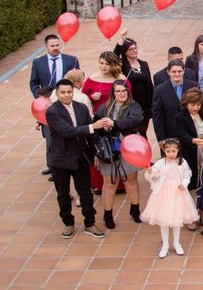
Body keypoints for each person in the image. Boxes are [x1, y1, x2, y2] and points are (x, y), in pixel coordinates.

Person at [45, 79, 106, 239]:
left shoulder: (81, 108)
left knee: (85, 191)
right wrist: (94, 126)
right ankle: (68, 222)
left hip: (80, 156)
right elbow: (68, 131)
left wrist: (96, 153)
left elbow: (91, 135)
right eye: (63, 92)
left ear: (74, 92)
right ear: (57, 94)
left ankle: (89, 223)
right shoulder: (52, 111)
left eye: (69, 92)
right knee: (63, 193)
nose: (66, 95)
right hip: (60, 158)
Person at [93, 80, 144, 230]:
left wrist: (114, 123)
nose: (121, 94)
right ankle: (107, 214)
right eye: (118, 91)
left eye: (124, 91)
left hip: (129, 146)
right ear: (112, 93)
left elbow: (133, 121)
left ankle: (135, 209)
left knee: (131, 179)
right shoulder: (105, 108)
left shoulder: (134, 106)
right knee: (109, 182)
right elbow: (95, 126)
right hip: (109, 148)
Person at [30, 34, 80, 175]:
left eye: (57, 45)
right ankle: (53, 166)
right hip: (48, 105)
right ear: (46, 47)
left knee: (69, 130)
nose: (56, 48)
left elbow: (77, 80)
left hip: (67, 101)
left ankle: (72, 162)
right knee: (50, 136)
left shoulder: (71, 60)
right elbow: (33, 83)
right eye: (52, 46)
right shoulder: (38, 63)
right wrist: (40, 98)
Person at [81, 51, 131, 194]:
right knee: (100, 149)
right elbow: (83, 99)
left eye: (107, 64)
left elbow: (128, 98)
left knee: (118, 148)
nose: (103, 66)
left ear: (113, 65)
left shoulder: (122, 79)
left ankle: (121, 184)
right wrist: (92, 97)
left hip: (117, 119)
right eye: (101, 63)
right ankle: (98, 183)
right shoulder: (91, 79)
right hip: (98, 120)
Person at [141, 139, 199, 258]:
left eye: (174, 151)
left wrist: (184, 184)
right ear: (164, 151)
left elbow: (187, 175)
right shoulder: (161, 163)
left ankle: (177, 243)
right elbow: (154, 176)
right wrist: (150, 171)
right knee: (164, 220)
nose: (171, 153)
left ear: (178, 150)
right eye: (168, 151)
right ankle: (165, 245)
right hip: (163, 193)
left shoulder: (182, 162)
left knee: (177, 220)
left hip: (178, 193)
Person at [174, 88, 203, 192]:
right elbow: (180, 134)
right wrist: (192, 140)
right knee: (192, 176)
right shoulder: (180, 117)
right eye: (192, 105)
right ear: (186, 103)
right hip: (191, 152)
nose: (196, 108)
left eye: (198, 105)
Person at [113, 29, 154, 138]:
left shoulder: (144, 64)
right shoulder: (122, 65)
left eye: (135, 48)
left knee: (142, 133)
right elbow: (113, 58)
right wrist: (121, 40)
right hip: (130, 105)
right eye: (131, 49)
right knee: (131, 133)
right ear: (125, 52)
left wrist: (152, 106)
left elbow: (149, 85)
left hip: (144, 106)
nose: (134, 50)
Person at [151, 59, 198, 142]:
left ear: (184, 71)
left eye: (180, 71)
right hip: (170, 135)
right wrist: (161, 139)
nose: (177, 74)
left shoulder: (193, 86)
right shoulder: (159, 90)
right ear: (168, 72)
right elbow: (157, 117)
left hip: (190, 134)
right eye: (174, 72)